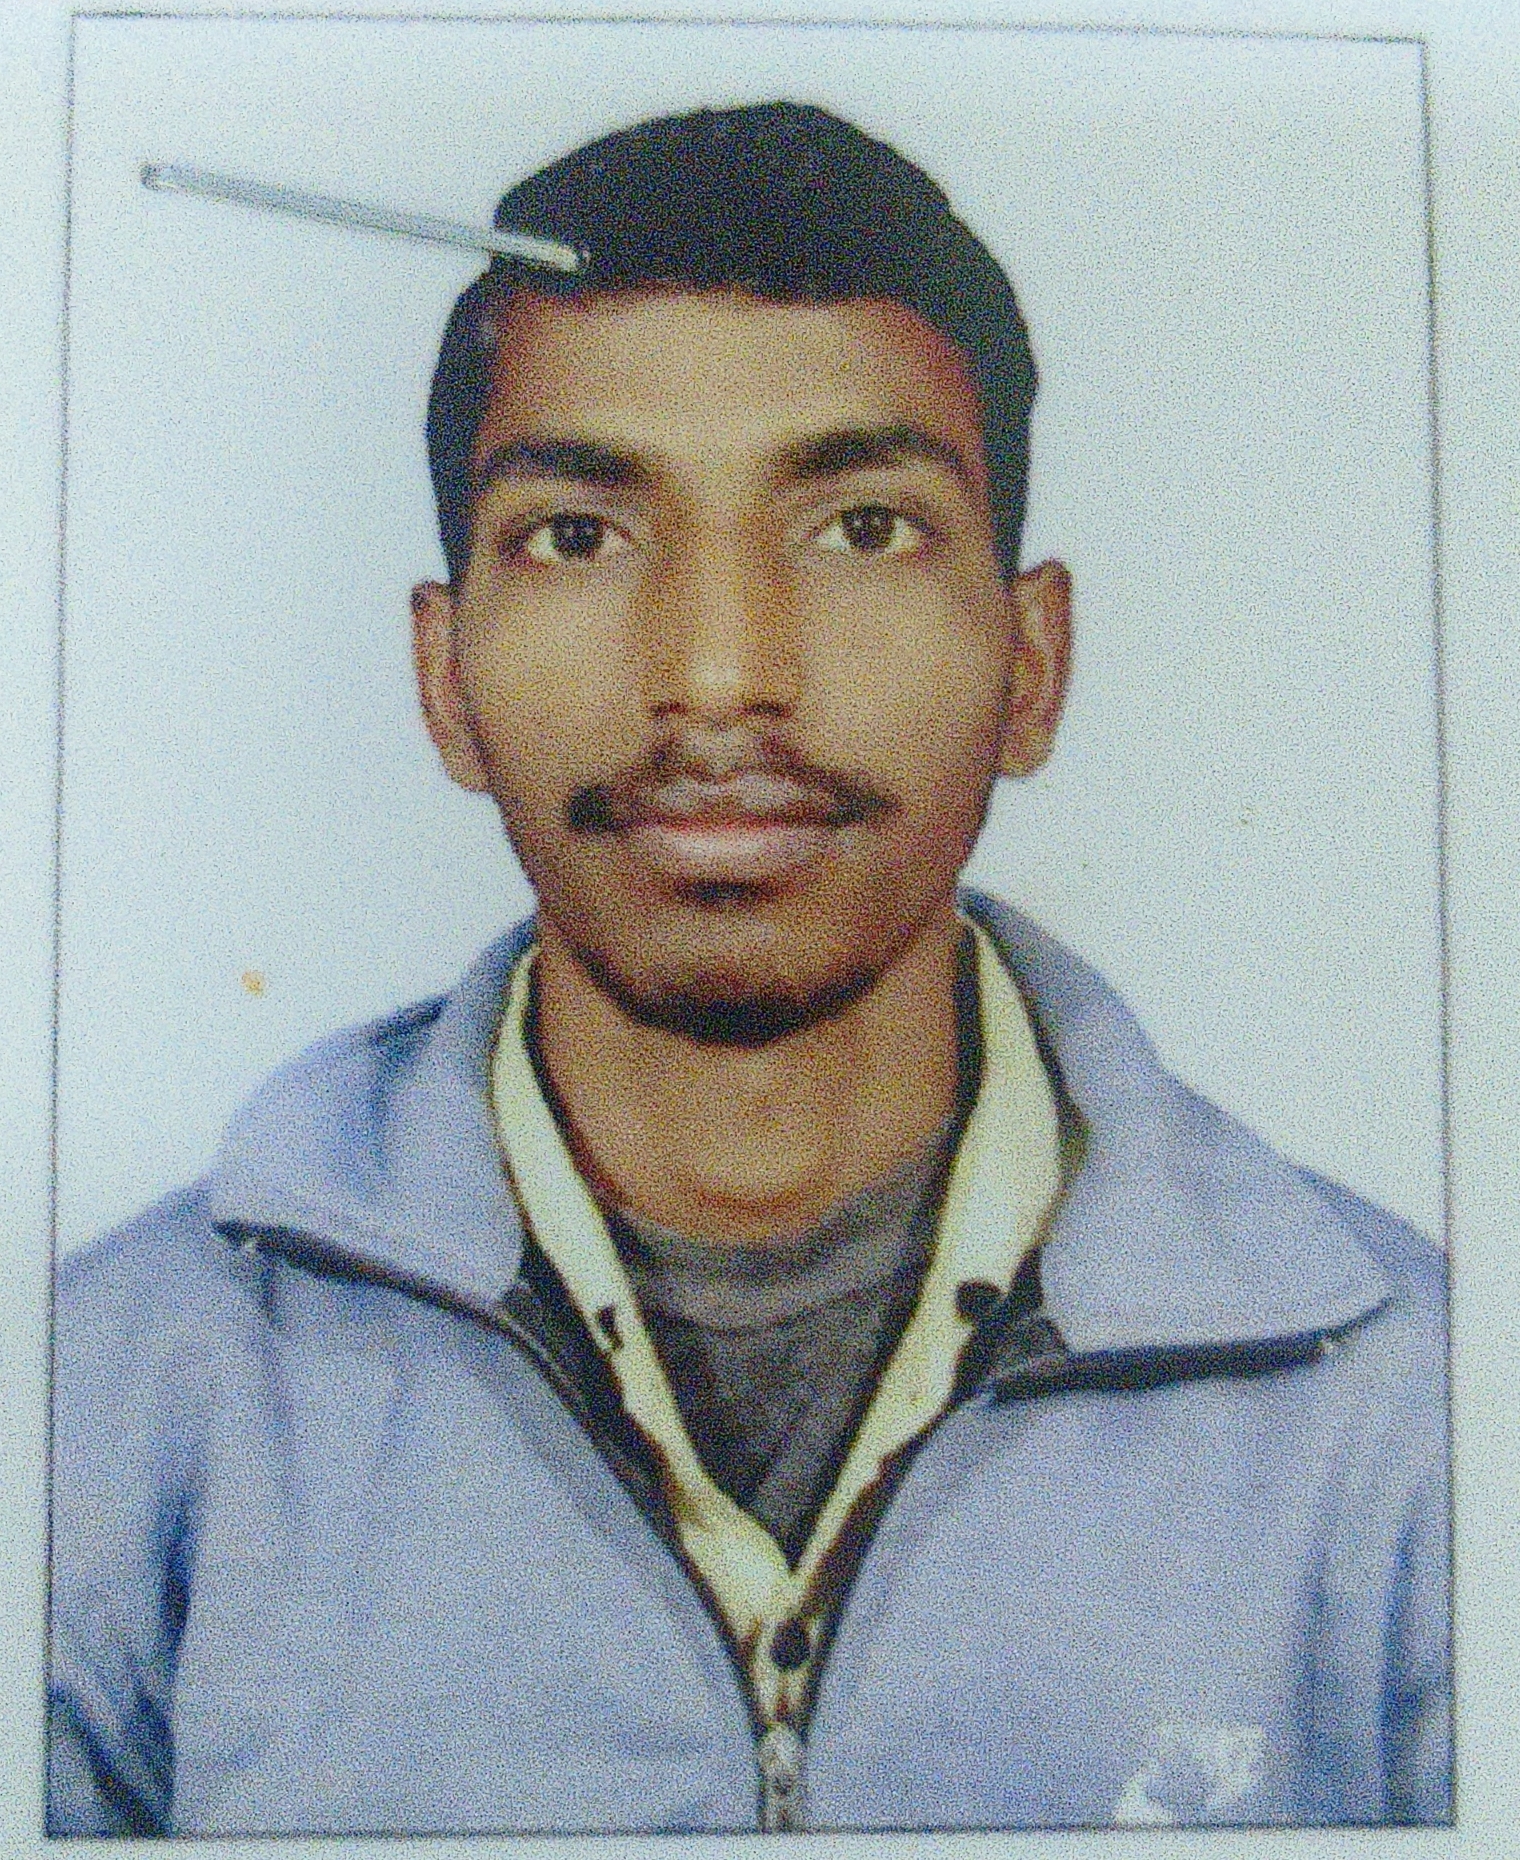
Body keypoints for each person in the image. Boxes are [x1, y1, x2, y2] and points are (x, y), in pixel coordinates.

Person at [48, 102, 1450, 1837]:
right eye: (580, 534)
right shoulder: (107, 1405)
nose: (719, 677)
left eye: (860, 528)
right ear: (443, 675)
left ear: (1032, 660)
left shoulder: (1419, 1420)